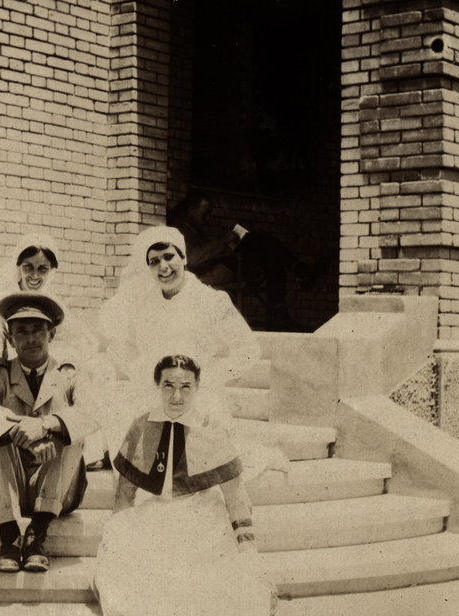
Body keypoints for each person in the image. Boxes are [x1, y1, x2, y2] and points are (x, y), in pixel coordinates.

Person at [93, 354, 277, 616]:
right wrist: (118, 535)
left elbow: (235, 498)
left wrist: (247, 547)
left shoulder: (211, 428)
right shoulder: (142, 426)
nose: (176, 396)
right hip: (156, 515)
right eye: (169, 385)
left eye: (185, 387)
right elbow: (125, 494)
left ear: (197, 387)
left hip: (204, 518)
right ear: (158, 386)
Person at [0, 292, 101, 574]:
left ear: (51, 334)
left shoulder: (69, 374)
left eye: (38, 330)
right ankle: (10, 538)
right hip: (4, 484)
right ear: (10, 339)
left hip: (57, 487)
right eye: (21, 332)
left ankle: (37, 535)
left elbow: (95, 411)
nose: (30, 339)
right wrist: (16, 430)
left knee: (69, 435)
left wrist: (46, 426)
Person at [98, 225, 260, 455]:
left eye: (168, 257)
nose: (163, 267)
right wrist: (141, 370)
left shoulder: (211, 301)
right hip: (151, 392)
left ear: (183, 258)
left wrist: (209, 376)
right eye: (154, 262)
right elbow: (122, 345)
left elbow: (248, 349)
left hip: (196, 394)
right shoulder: (144, 305)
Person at [169, 190, 328, 331]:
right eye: (205, 214)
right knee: (260, 243)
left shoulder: (195, 232)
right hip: (205, 277)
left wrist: (228, 246)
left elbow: (209, 253)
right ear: (191, 211)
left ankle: (280, 313)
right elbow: (193, 259)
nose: (208, 219)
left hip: (221, 268)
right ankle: (294, 285)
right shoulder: (179, 232)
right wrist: (222, 242)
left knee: (268, 255)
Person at [0, 232, 96, 366]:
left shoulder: (51, 303)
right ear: (18, 267)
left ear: (51, 271)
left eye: (42, 269)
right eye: (28, 267)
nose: (34, 275)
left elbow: (84, 341)